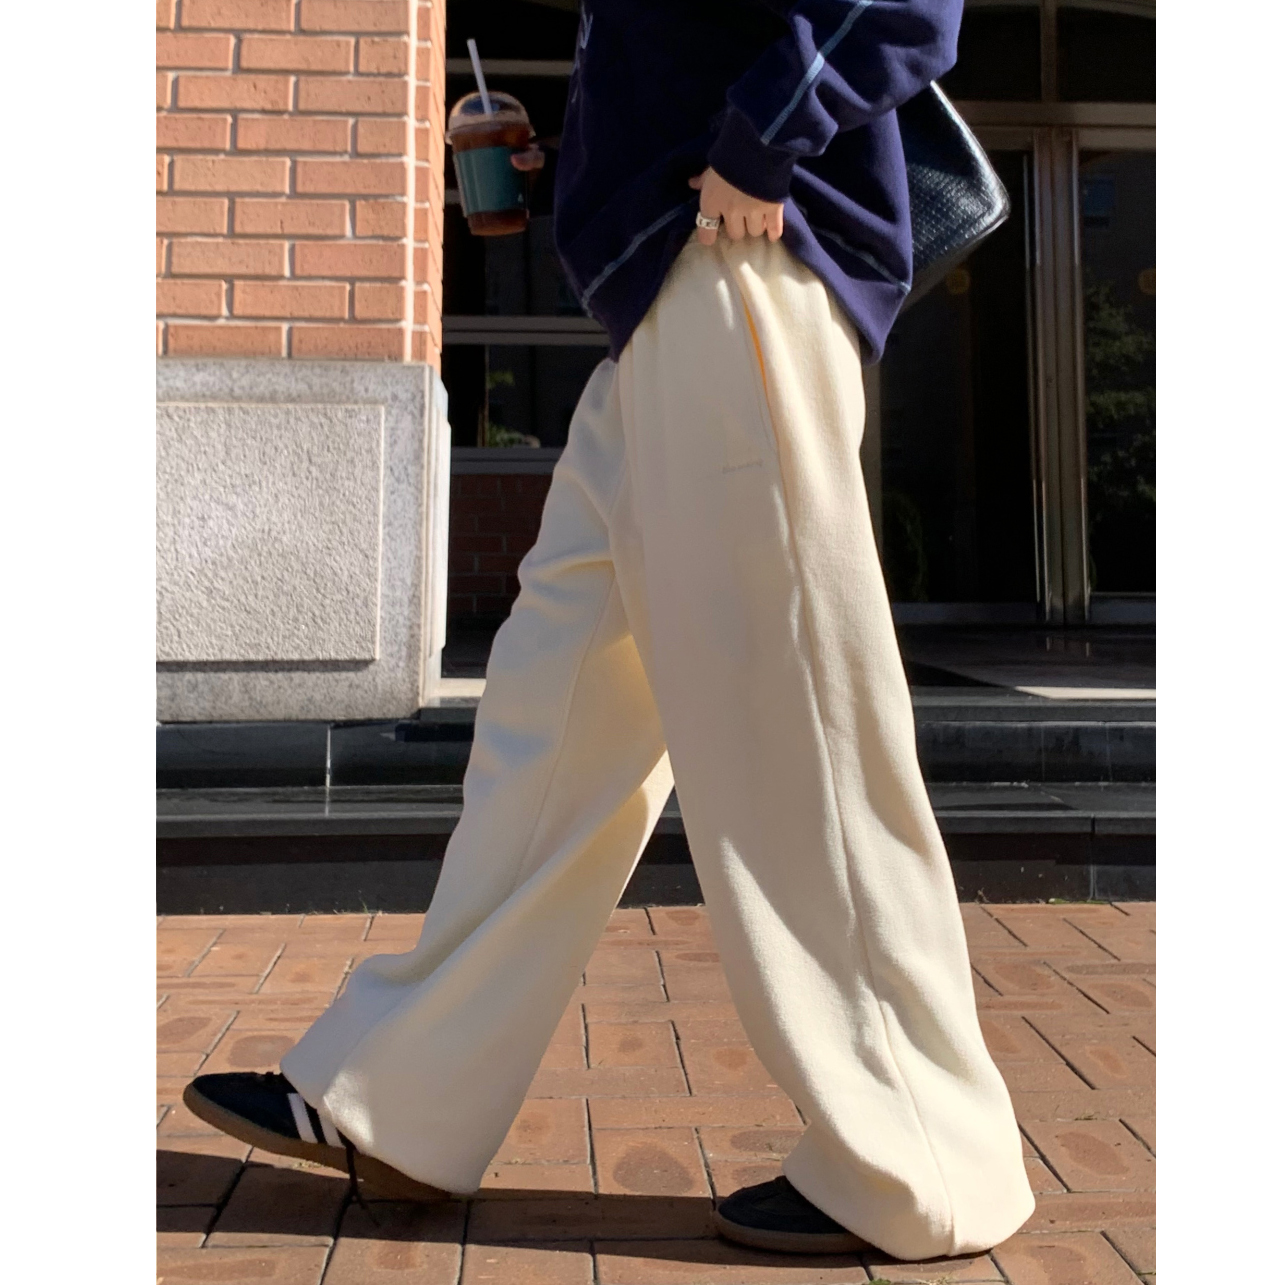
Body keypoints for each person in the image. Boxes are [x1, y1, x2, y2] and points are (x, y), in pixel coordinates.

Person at [183, 0, 1035, 1260]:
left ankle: (921, 1153)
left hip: (741, 261)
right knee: (554, 715)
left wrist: (764, 136)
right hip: (664, 293)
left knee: (791, 714)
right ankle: (401, 1097)